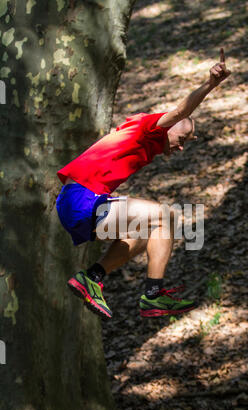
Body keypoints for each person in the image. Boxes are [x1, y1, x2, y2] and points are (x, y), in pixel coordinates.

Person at [56, 48, 231, 319]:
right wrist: (210, 84)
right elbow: (180, 111)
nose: (181, 148)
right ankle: (152, 297)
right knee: (166, 215)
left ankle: (95, 278)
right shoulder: (147, 128)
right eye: (182, 140)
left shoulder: (146, 143)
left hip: (77, 203)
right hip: (79, 198)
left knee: (151, 228)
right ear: (169, 128)